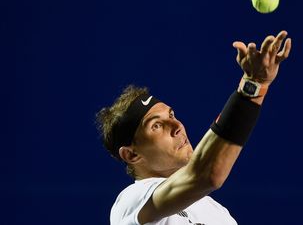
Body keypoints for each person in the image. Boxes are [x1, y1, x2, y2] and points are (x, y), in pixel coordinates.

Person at [96, 30, 292, 225]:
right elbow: (206, 175)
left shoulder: (218, 213)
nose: (177, 126)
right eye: (156, 125)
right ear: (131, 155)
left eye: (171, 115)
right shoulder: (132, 201)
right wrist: (253, 86)